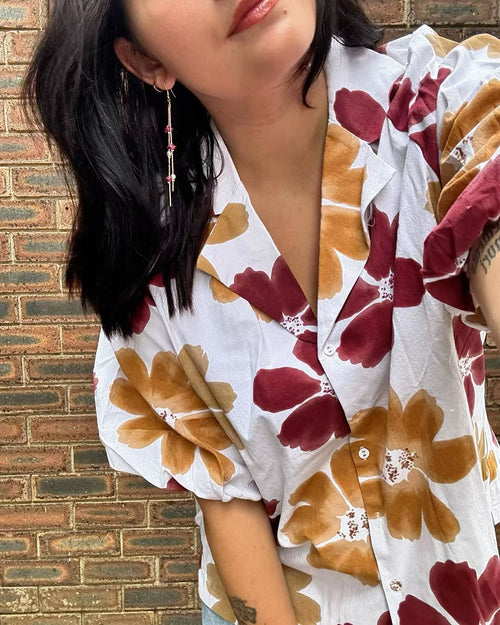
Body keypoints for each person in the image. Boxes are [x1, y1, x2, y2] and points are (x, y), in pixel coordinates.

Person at [24, 1, 500, 623]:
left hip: (465, 587)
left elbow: (486, 194)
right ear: (143, 58)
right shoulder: (153, 267)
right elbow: (228, 502)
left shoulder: (440, 102)